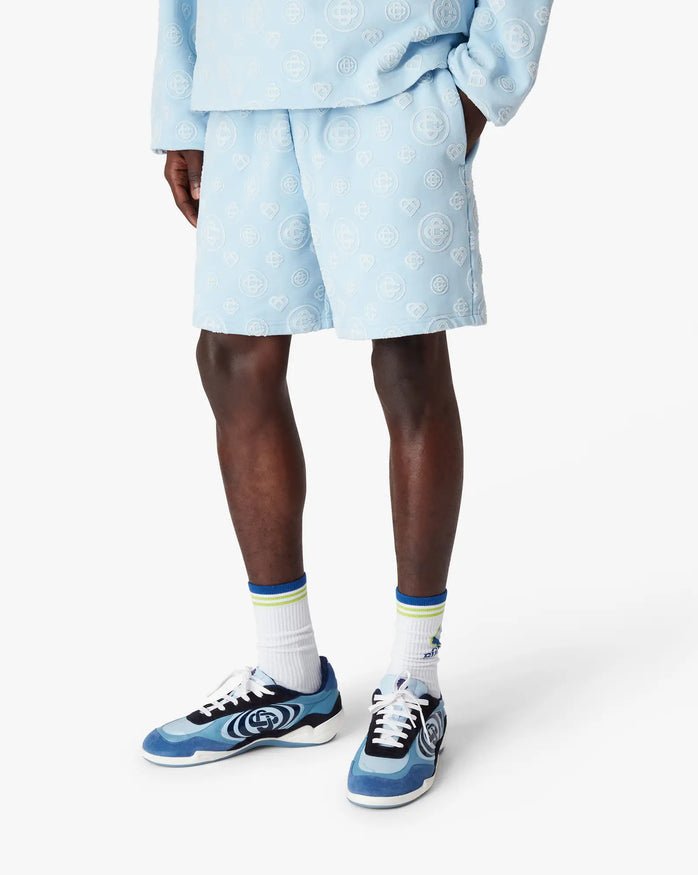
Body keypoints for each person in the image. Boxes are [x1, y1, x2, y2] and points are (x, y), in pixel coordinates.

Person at [142, 0, 552, 808]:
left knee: (407, 362)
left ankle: (415, 678)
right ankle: (289, 670)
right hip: (243, 87)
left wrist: (481, 87)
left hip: (394, 80)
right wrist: (181, 106)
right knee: (233, 358)